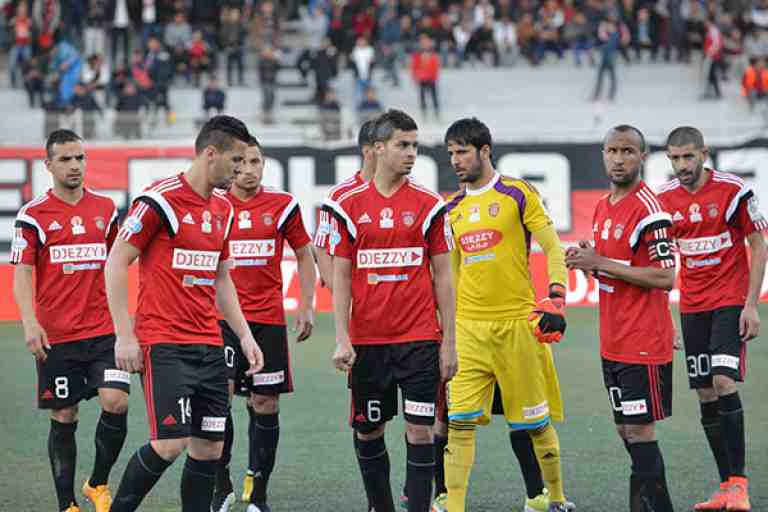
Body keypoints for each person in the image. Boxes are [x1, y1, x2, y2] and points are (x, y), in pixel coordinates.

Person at [104, 115, 264, 512]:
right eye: (236, 161)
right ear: (211, 154)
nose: (242, 171)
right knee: (170, 443)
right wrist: (125, 335)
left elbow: (222, 278)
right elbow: (116, 262)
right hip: (165, 342)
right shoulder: (159, 200)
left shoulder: (223, 210)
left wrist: (244, 335)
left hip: (209, 343)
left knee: (210, 446)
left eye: (247, 163)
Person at [328, 109, 458, 512]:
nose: (411, 153)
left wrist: (448, 341)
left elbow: (444, 277)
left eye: (415, 146)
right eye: (403, 145)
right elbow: (342, 276)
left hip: (419, 340)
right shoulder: (347, 203)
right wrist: (341, 337)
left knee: (421, 432)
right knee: (369, 431)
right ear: (378, 148)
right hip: (368, 343)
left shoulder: (429, 203)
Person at [443, 118, 573, 512]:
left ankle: (555, 499)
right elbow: (449, 274)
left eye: (462, 151)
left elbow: (553, 247)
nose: (455, 160)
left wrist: (556, 297)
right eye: (451, 153)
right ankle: (455, 507)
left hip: (518, 325)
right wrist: (445, 327)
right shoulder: (451, 210)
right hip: (468, 329)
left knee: (534, 424)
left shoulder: (518, 193)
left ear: (485, 151)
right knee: (459, 423)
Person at [11, 129, 130, 512]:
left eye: (80, 158)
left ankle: (97, 483)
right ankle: (68, 505)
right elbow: (23, 273)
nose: (75, 165)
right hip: (58, 335)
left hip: (104, 331)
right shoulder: (33, 215)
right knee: (65, 413)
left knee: (116, 402)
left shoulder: (107, 209)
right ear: (48, 165)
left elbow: (119, 263)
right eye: (65, 159)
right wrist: (30, 323)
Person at [566, 125, 675, 512]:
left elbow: (665, 275)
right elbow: (617, 269)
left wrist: (599, 262)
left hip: (642, 340)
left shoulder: (650, 209)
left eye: (628, 151)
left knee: (640, 430)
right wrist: (588, 263)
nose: (618, 158)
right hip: (612, 339)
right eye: (612, 150)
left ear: (643, 157)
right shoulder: (603, 205)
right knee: (624, 429)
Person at [658, 127, 767, 512]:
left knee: (722, 380)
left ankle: (739, 483)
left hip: (729, 301)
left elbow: (758, 243)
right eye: (674, 158)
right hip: (692, 306)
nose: (682, 165)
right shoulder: (663, 200)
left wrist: (751, 305)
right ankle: (726, 485)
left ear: (703, 153)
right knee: (704, 392)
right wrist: (666, 316)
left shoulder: (733, 190)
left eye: (688, 157)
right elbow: (660, 263)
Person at [211, 137, 317, 512]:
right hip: (220, 322)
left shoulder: (283, 204)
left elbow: (305, 254)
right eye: (243, 162)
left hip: (267, 322)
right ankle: (220, 484)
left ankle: (258, 489)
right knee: (217, 400)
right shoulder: (215, 204)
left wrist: (306, 303)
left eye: (258, 161)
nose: (251, 169)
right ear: (231, 165)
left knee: (265, 403)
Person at [314, 119, 377, 290]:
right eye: (382, 146)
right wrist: (340, 296)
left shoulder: (410, 192)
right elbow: (322, 248)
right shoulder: (338, 196)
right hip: (358, 300)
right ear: (367, 150)